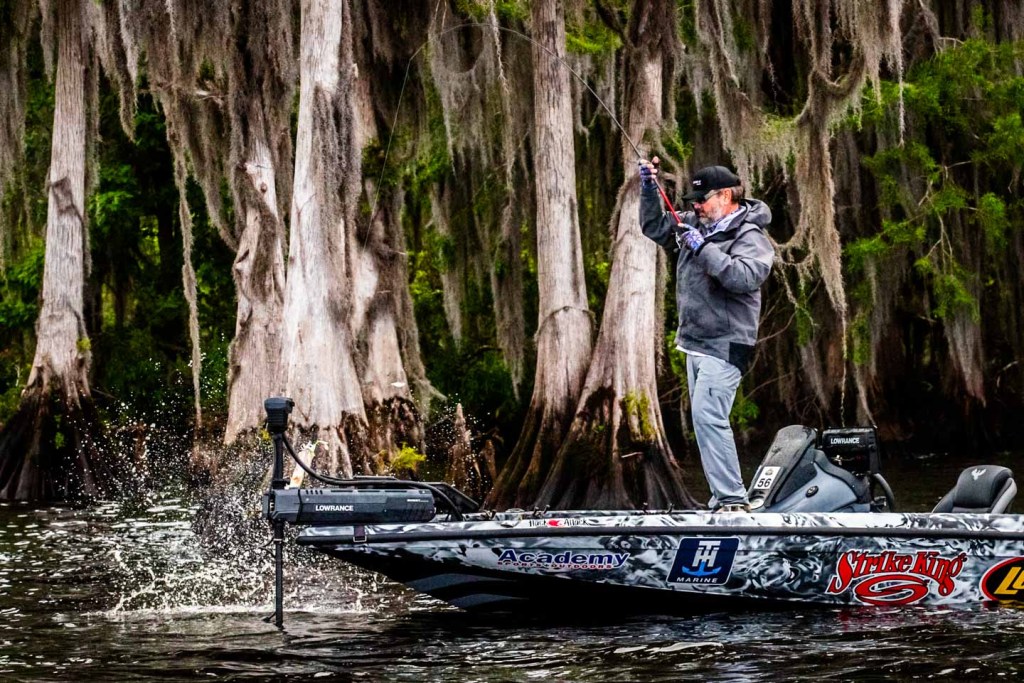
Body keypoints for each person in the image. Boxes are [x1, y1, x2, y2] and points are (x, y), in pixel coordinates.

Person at [638, 158, 774, 512]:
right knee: (703, 421)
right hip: (695, 343)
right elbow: (654, 226)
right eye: (692, 202)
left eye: (702, 200)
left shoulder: (750, 235)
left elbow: (744, 277)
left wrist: (703, 248)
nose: (695, 206)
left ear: (725, 196)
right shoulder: (694, 224)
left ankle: (732, 501)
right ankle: (721, 499)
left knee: (709, 417)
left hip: (727, 343)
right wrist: (649, 188)